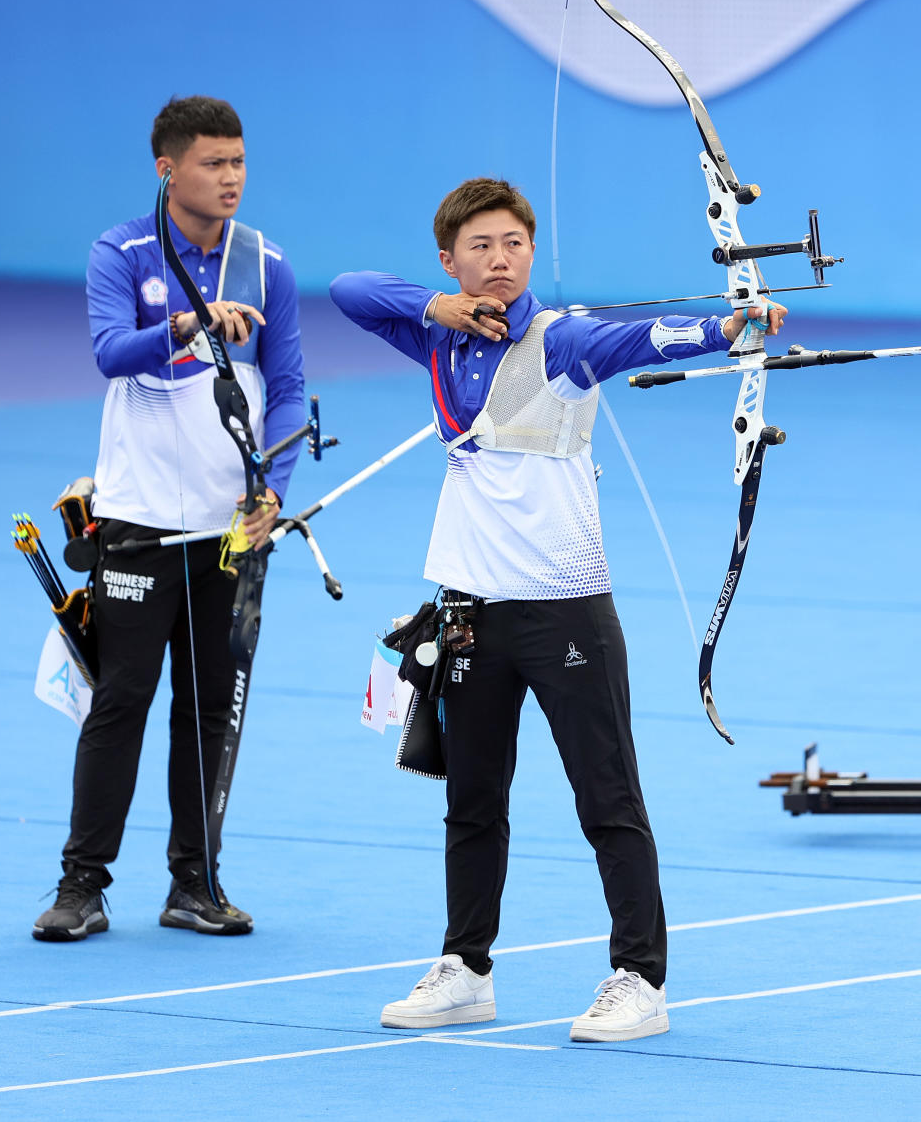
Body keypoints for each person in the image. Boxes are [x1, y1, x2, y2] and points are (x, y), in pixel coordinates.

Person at [330, 177, 786, 1041]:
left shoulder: (560, 339)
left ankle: (640, 977)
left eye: (513, 244)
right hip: (470, 608)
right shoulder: (438, 336)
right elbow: (348, 291)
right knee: (471, 799)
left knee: (606, 797)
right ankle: (466, 967)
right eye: (480, 248)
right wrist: (442, 308)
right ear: (449, 261)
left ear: (531, 251)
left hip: (566, 611)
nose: (500, 262)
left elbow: (645, 337)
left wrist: (732, 326)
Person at [33, 96, 305, 942]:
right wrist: (185, 327)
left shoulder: (268, 263)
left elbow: (289, 388)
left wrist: (273, 492)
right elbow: (111, 351)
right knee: (121, 701)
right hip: (140, 523)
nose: (231, 178)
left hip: (229, 531)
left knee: (209, 707)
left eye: (239, 162)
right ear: (167, 169)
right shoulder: (120, 252)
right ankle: (82, 885)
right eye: (213, 163)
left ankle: (196, 882)